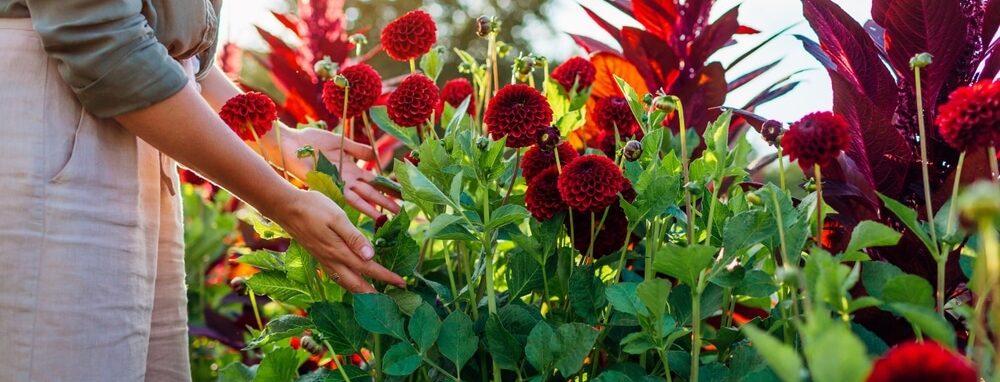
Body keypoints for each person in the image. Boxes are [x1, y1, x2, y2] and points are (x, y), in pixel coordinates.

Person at [0, 1, 402, 380]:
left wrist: (277, 138)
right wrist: (285, 202)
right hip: (60, 125)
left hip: (144, 116)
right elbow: (103, 41)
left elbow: (179, 48)